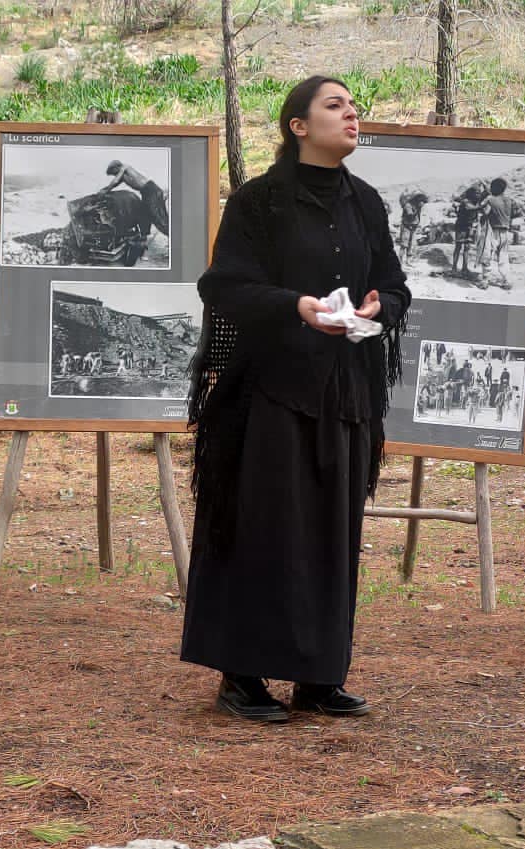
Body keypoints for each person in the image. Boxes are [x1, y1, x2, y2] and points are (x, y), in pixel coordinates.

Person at [182, 75, 410, 723]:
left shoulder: (366, 203)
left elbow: (394, 286)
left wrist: (376, 309)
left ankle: (319, 676)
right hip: (271, 392)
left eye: (356, 106)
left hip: (344, 393)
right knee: (265, 532)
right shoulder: (259, 202)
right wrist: (297, 308)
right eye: (336, 105)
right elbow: (224, 286)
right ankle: (242, 676)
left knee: (332, 534)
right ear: (298, 126)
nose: (352, 114)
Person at [100, 159, 169, 237]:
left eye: (114, 173)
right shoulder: (123, 176)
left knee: (159, 219)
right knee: (144, 214)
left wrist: (106, 190)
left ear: (117, 167)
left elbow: (115, 182)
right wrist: (104, 190)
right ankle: (144, 237)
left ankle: (172, 235)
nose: (115, 175)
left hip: (151, 191)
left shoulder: (125, 168)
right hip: (146, 192)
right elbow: (113, 185)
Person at [396, 191, 429, 260]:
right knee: (404, 245)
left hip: (413, 227)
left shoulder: (418, 207)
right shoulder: (408, 205)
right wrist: (416, 211)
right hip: (406, 227)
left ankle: (408, 261)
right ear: (418, 200)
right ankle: (400, 261)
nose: (422, 203)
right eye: (421, 201)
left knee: (410, 245)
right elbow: (410, 215)